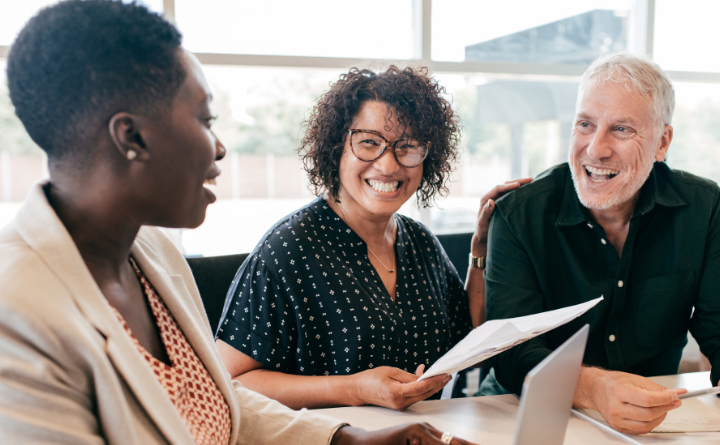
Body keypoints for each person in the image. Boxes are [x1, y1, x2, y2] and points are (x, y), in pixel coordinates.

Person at [0, 2, 476, 444]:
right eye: (203, 118)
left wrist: (345, 439)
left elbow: (223, 403)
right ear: (132, 137)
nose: (220, 146)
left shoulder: (153, 255)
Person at [482, 51, 720, 439]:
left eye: (621, 129)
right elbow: (514, 354)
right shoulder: (519, 215)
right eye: (585, 124)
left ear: (662, 142)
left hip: (653, 423)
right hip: (526, 414)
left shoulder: (703, 207)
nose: (595, 149)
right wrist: (595, 388)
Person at [215, 65, 531, 410]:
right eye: (369, 143)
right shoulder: (288, 250)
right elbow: (230, 382)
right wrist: (353, 389)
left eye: (407, 146)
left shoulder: (419, 242)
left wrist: (481, 248)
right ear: (337, 147)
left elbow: (469, 333)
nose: (389, 165)